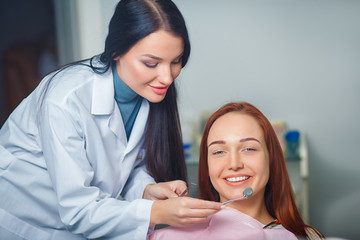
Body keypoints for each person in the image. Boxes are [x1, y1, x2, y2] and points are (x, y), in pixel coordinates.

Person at [0, 0, 222, 239]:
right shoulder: (65, 100)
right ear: (116, 51)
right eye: (151, 63)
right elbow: (79, 211)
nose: (167, 77)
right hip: (19, 221)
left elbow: (126, 163)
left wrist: (147, 189)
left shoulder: (146, 93)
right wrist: (156, 212)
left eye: (176, 61)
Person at [148, 102, 324, 240]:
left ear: (271, 158)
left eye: (248, 149)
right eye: (219, 152)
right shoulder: (169, 237)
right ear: (207, 166)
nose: (234, 164)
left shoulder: (307, 237)